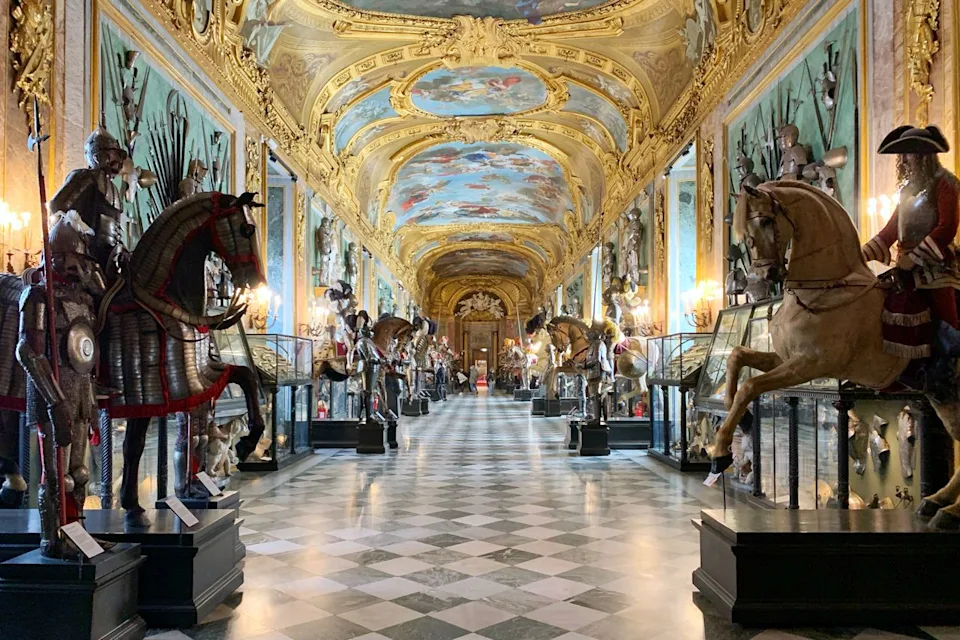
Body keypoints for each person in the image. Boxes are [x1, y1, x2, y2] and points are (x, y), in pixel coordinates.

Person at [861, 125, 960, 364]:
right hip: (905, 266)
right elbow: (891, 230)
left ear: (923, 155)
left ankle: (950, 371)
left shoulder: (946, 183)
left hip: (937, 267)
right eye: (902, 154)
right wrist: (860, 254)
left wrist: (914, 257)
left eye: (908, 153)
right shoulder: (907, 190)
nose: (904, 160)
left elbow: (947, 227)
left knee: (945, 315)